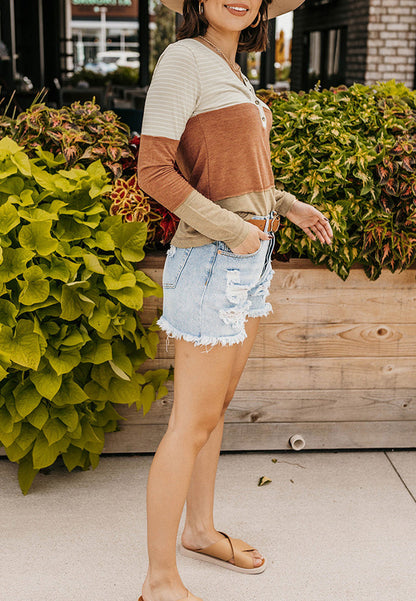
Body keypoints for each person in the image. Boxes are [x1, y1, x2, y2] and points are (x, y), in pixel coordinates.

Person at [136, 1, 333, 599]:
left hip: (247, 258)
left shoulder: (234, 71)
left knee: (212, 412)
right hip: (214, 261)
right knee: (190, 423)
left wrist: (287, 205)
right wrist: (233, 230)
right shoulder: (183, 60)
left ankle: (198, 530)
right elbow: (154, 171)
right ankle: (159, 579)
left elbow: (236, 173)